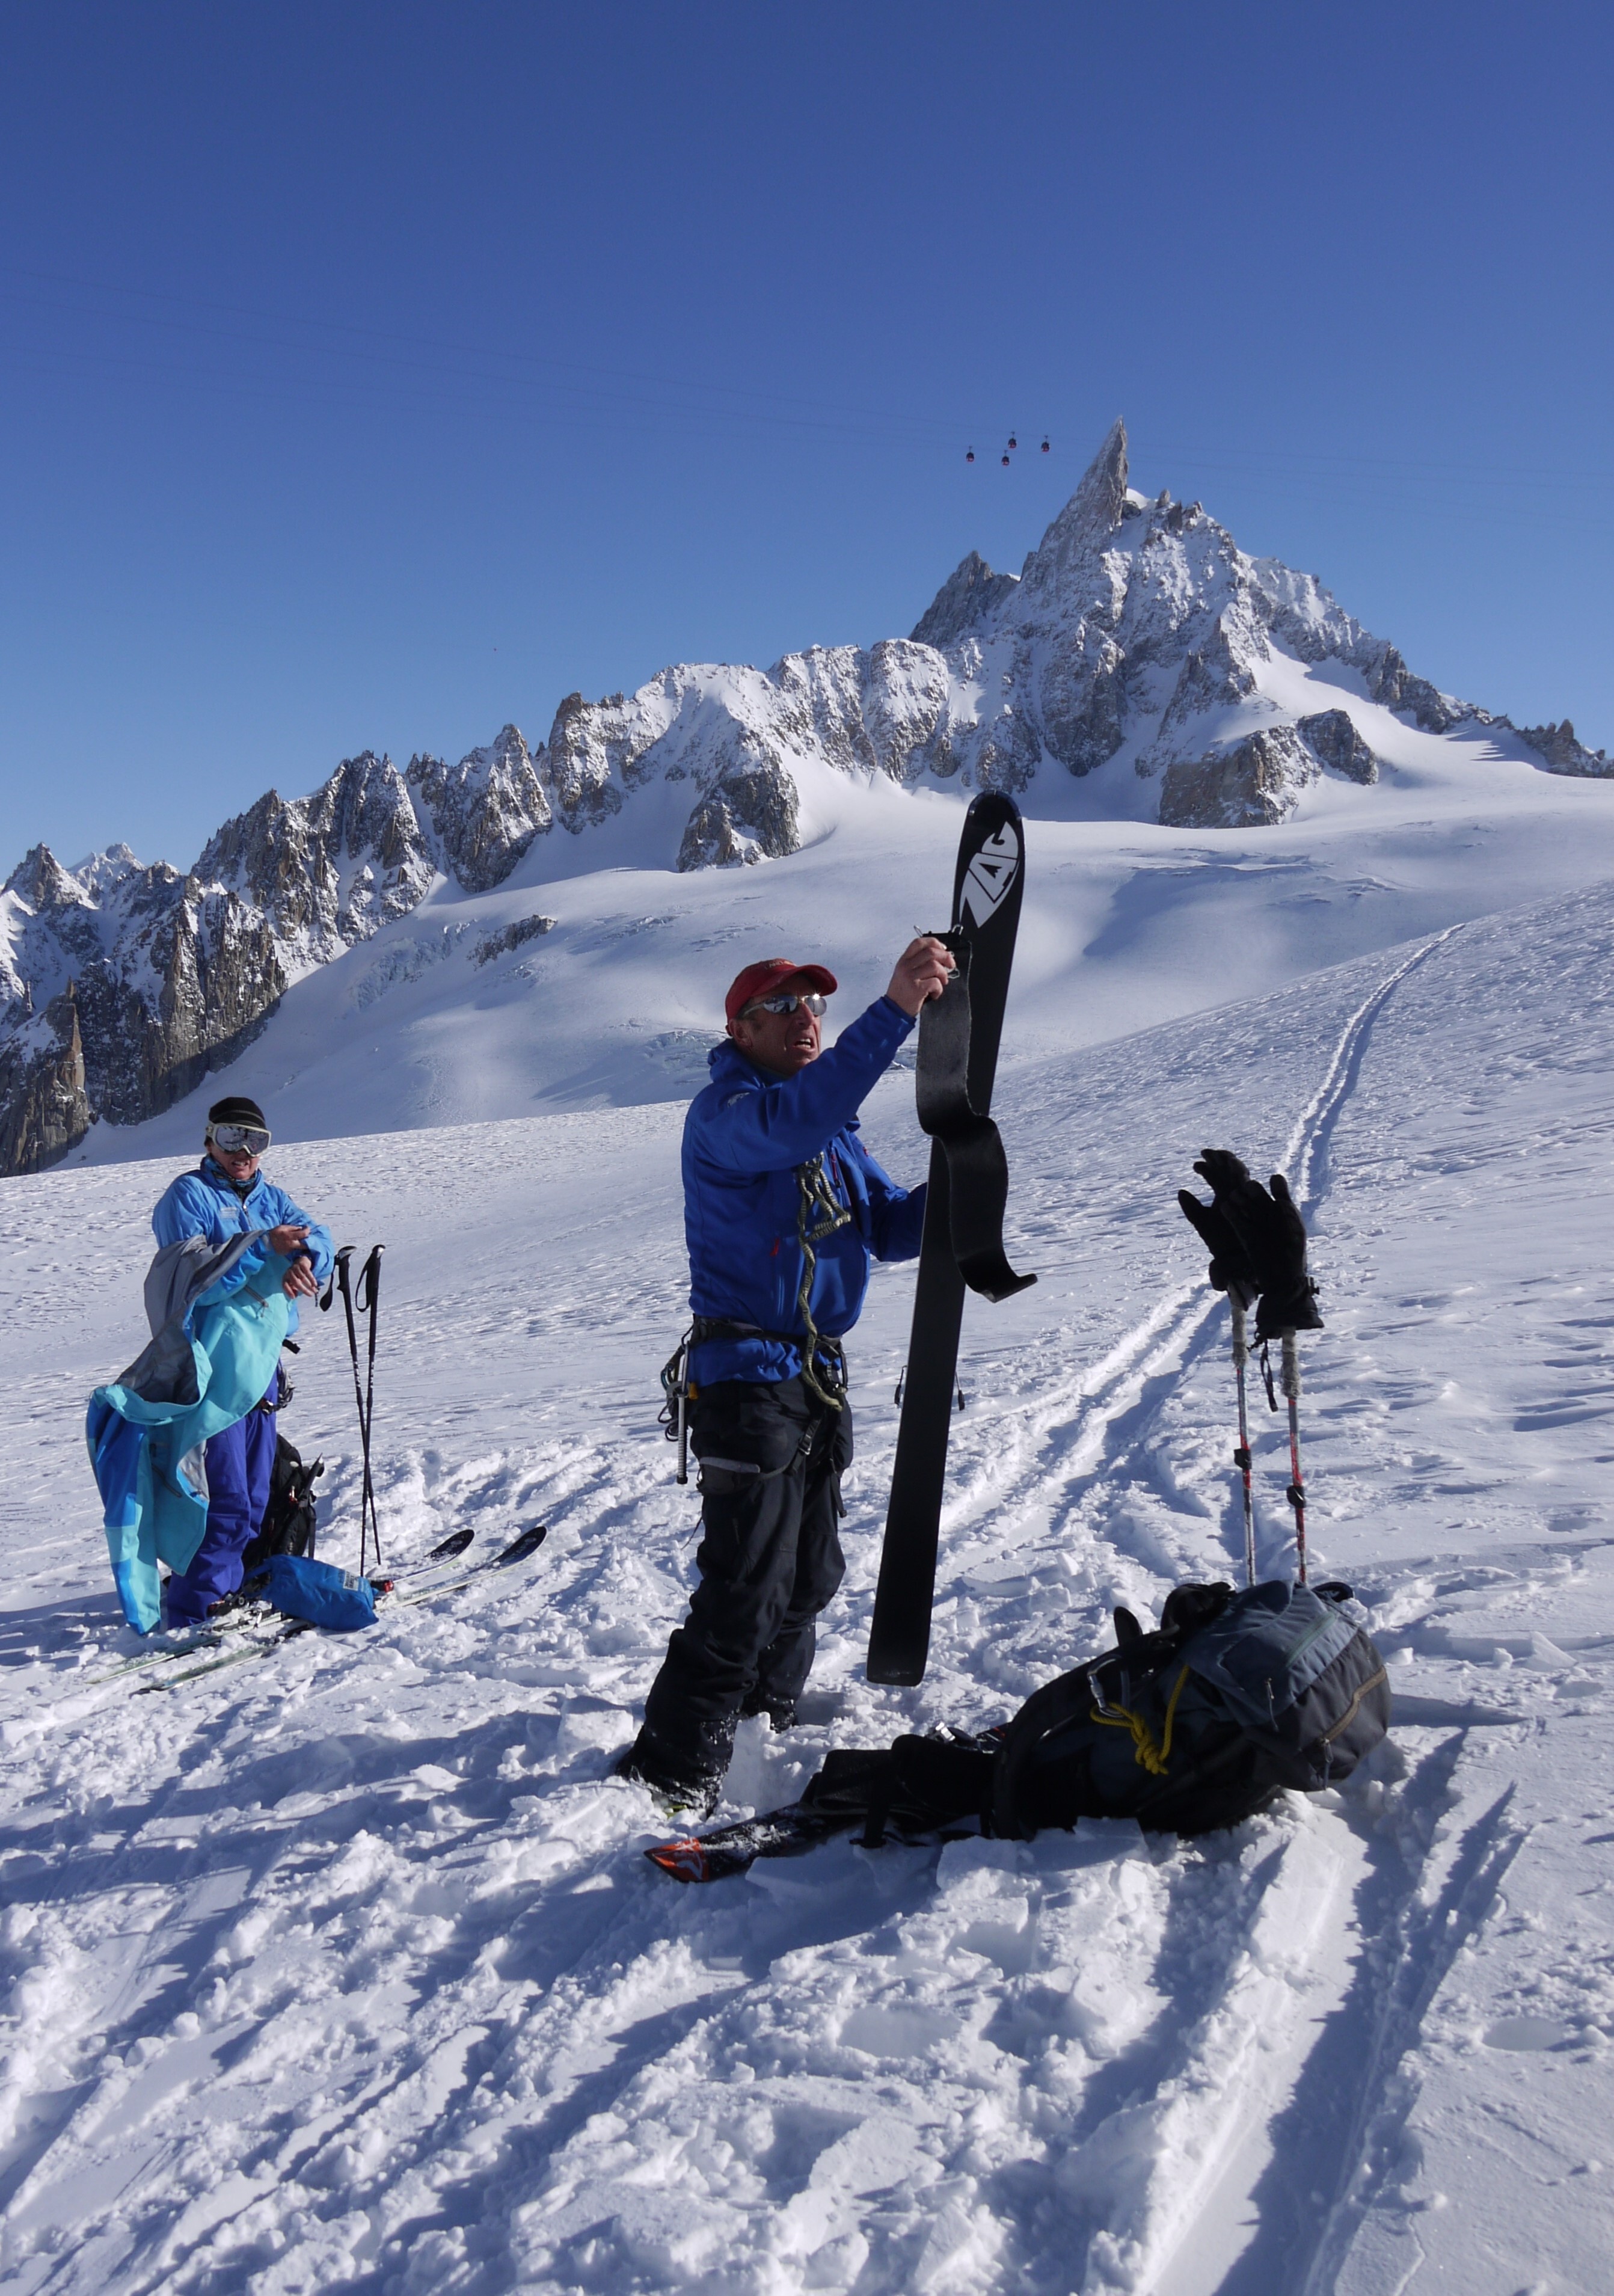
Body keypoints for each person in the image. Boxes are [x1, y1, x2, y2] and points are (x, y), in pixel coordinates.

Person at [619, 937, 954, 1811]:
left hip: (813, 1378)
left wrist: (965, 1179)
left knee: (809, 1575)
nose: (808, 1020)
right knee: (747, 1581)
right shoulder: (729, 1112)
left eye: (817, 1007)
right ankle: (672, 1761)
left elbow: (885, 1228)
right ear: (742, 1029)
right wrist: (893, 1016)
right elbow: (794, 1123)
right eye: (787, 1009)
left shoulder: (829, 1133)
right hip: (746, 1378)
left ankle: (760, 1718)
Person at [150, 1094, 333, 1624]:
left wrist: (302, 1256)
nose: (243, 1151)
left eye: (255, 1141)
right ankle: (197, 1605)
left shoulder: (272, 1198)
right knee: (222, 1493)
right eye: (232, 1137)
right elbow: (192, 1279)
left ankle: (232, 1589)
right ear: (209, 1139)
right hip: (213, 1365)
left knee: (255, 1495)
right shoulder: (189, 1196)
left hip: (263, 1364)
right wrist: (262, 1248)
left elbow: (318, 1234)